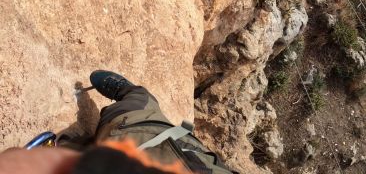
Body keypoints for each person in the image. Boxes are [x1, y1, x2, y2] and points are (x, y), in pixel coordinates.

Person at [0, 70, 235, 174]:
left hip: (139, 139)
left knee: (132, 112)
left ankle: (80, 143)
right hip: (177, 149)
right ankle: (130, 95)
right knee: (136, 108)